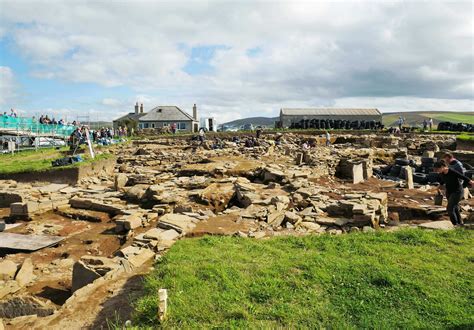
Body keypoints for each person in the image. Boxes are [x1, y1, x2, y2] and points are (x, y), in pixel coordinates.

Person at [433, 160, 473, 226]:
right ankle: (460, 223)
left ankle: (455, 224)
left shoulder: (452, 171)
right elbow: (443, 180)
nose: (436, 171)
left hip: (457, 191)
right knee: (455, 207)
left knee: (450, 208)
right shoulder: (441, 173)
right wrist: (439, 187)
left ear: (443, 167)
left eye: (437, 169)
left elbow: (462, 176)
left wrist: (471, 182)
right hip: (449, 192)